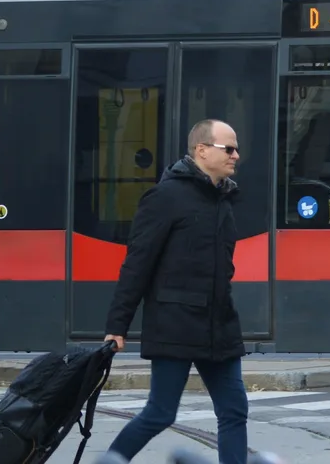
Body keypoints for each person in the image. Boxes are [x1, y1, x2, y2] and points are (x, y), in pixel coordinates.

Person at [104, 120, 249, 464]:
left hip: (219, 324)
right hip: (175, 323)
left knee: (234, 410)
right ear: (201, 150)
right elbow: (137, 264)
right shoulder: (165, 197)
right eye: (228, 148)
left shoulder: (224, 199)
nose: (236, 156)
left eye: (236, 149)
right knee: (160, 413)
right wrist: (117, 325)